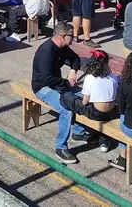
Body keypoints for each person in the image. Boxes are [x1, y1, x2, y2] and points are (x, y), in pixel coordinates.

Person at [30, 21, 91, 164]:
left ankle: (78, 131)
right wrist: (66, 83)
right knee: (66, 110)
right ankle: (60, 147)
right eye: (72, 35)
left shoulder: (63, 47)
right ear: (63, 36)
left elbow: (75, 59)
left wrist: (72, 70)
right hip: (42, 87)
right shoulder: (47, 51)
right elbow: (46, 78)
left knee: (83, 95)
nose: (74, 38)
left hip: (57, 83)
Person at [59, 50, 119, 152]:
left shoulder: (90, 78)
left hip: (96, 113)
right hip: (112, 112)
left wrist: (79, 104)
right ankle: (102, 139)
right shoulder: (112, 76)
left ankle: (78, 131)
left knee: (67, 98)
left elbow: (85, 102)